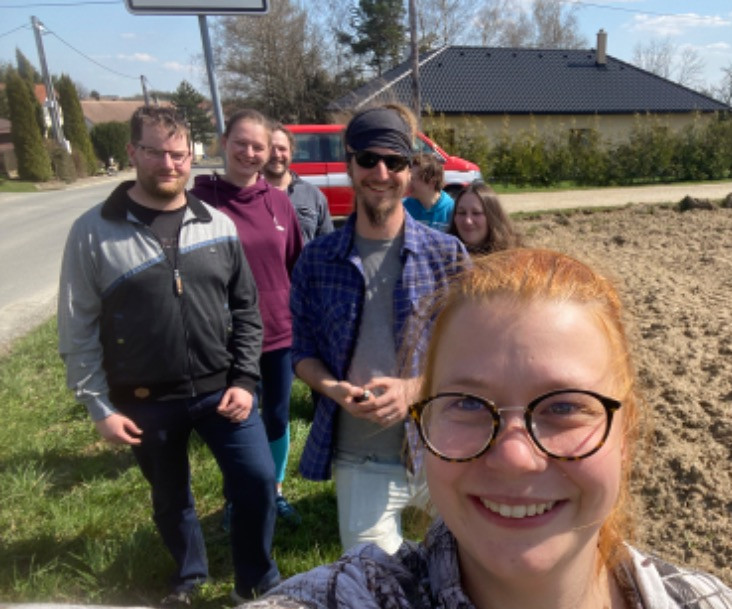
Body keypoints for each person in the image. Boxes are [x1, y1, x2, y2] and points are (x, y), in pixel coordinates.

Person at [240, 248, 732, 609]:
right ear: (423, 426)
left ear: (628, 437)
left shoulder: (707, 601)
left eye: (565, 407)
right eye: (466, 402)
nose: (514, 458)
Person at [57, 105, 280, 604]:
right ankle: (190, 577)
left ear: (192, 155)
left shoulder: (217, 224)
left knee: (259, 482)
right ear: (133, 151)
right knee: (170, 497)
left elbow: (247, 310)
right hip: (143, 399)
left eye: (178, 154)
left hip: (222, 391)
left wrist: (245, 380)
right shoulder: (93, 231)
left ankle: (257, 580)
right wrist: (98, 407)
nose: (169, 164)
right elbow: (77, 325)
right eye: (155, 152)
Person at [290, 104, 468, 554]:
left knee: (466, 579)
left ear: (410, 170)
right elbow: (302, 351)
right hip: (360, 456)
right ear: (350, 164)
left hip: (443, 447)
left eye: (395, 161)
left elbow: (476, 354)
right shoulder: (317, 258)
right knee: (373, 588)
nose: (381, 172)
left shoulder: (447, 256)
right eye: (368, 159)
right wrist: (332, 389)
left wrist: (414, 389)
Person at [190, 110, 305, 527]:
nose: (250, 153)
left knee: (275, 415)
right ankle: (239, 497)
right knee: (235, 419)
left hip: (277, 332)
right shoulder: (198, 203)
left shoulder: (278, 202)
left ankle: (274, 490)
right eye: (241, 143)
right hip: (223, 338)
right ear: (223, 142)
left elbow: (296, 265)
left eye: (259, 146)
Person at [263, 123, 335, 243]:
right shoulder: (249, 196)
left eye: (282, 148)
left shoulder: (314, 196)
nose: (276, 154)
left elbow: (328, 245)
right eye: (270, 148)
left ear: (291, 152)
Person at [447, 181, 522, 255]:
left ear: (493, 217)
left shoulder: (514, 257)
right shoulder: (443, 258)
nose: (468, 221)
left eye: (476, 213)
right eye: (462, 213)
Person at [403, 152, 453, 231]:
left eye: (413, 179)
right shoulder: (404, 207)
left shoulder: (451, 210)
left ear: (431, 183)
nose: (408, 182)